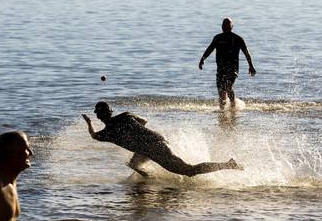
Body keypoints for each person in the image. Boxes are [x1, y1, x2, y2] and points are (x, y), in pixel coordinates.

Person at [82, 101, 242, 177]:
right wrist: (138, 137)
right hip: (153, 143)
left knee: (189, 171)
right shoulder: (125, 116)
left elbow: (93, 135)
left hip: (153, 148)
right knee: (133, 164)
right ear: (111, 111)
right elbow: (144, 121)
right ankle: (150, 181)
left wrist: (89, 123)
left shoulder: (107, 133)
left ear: (98, 116)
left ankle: (228, 164)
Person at [199, 18, 256, 110]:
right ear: (221, 27)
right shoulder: (217, 38)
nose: (225, 27)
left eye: (227, 26)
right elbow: (210, 49)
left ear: (232, 27)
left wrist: (251, 65)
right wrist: (202, 59)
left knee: (228, 87)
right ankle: (222, 112)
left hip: (233, 69)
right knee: (221, 92)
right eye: (223, 26)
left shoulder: (238, 39)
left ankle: (233, 106)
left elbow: (246, 52)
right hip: (221, 69)